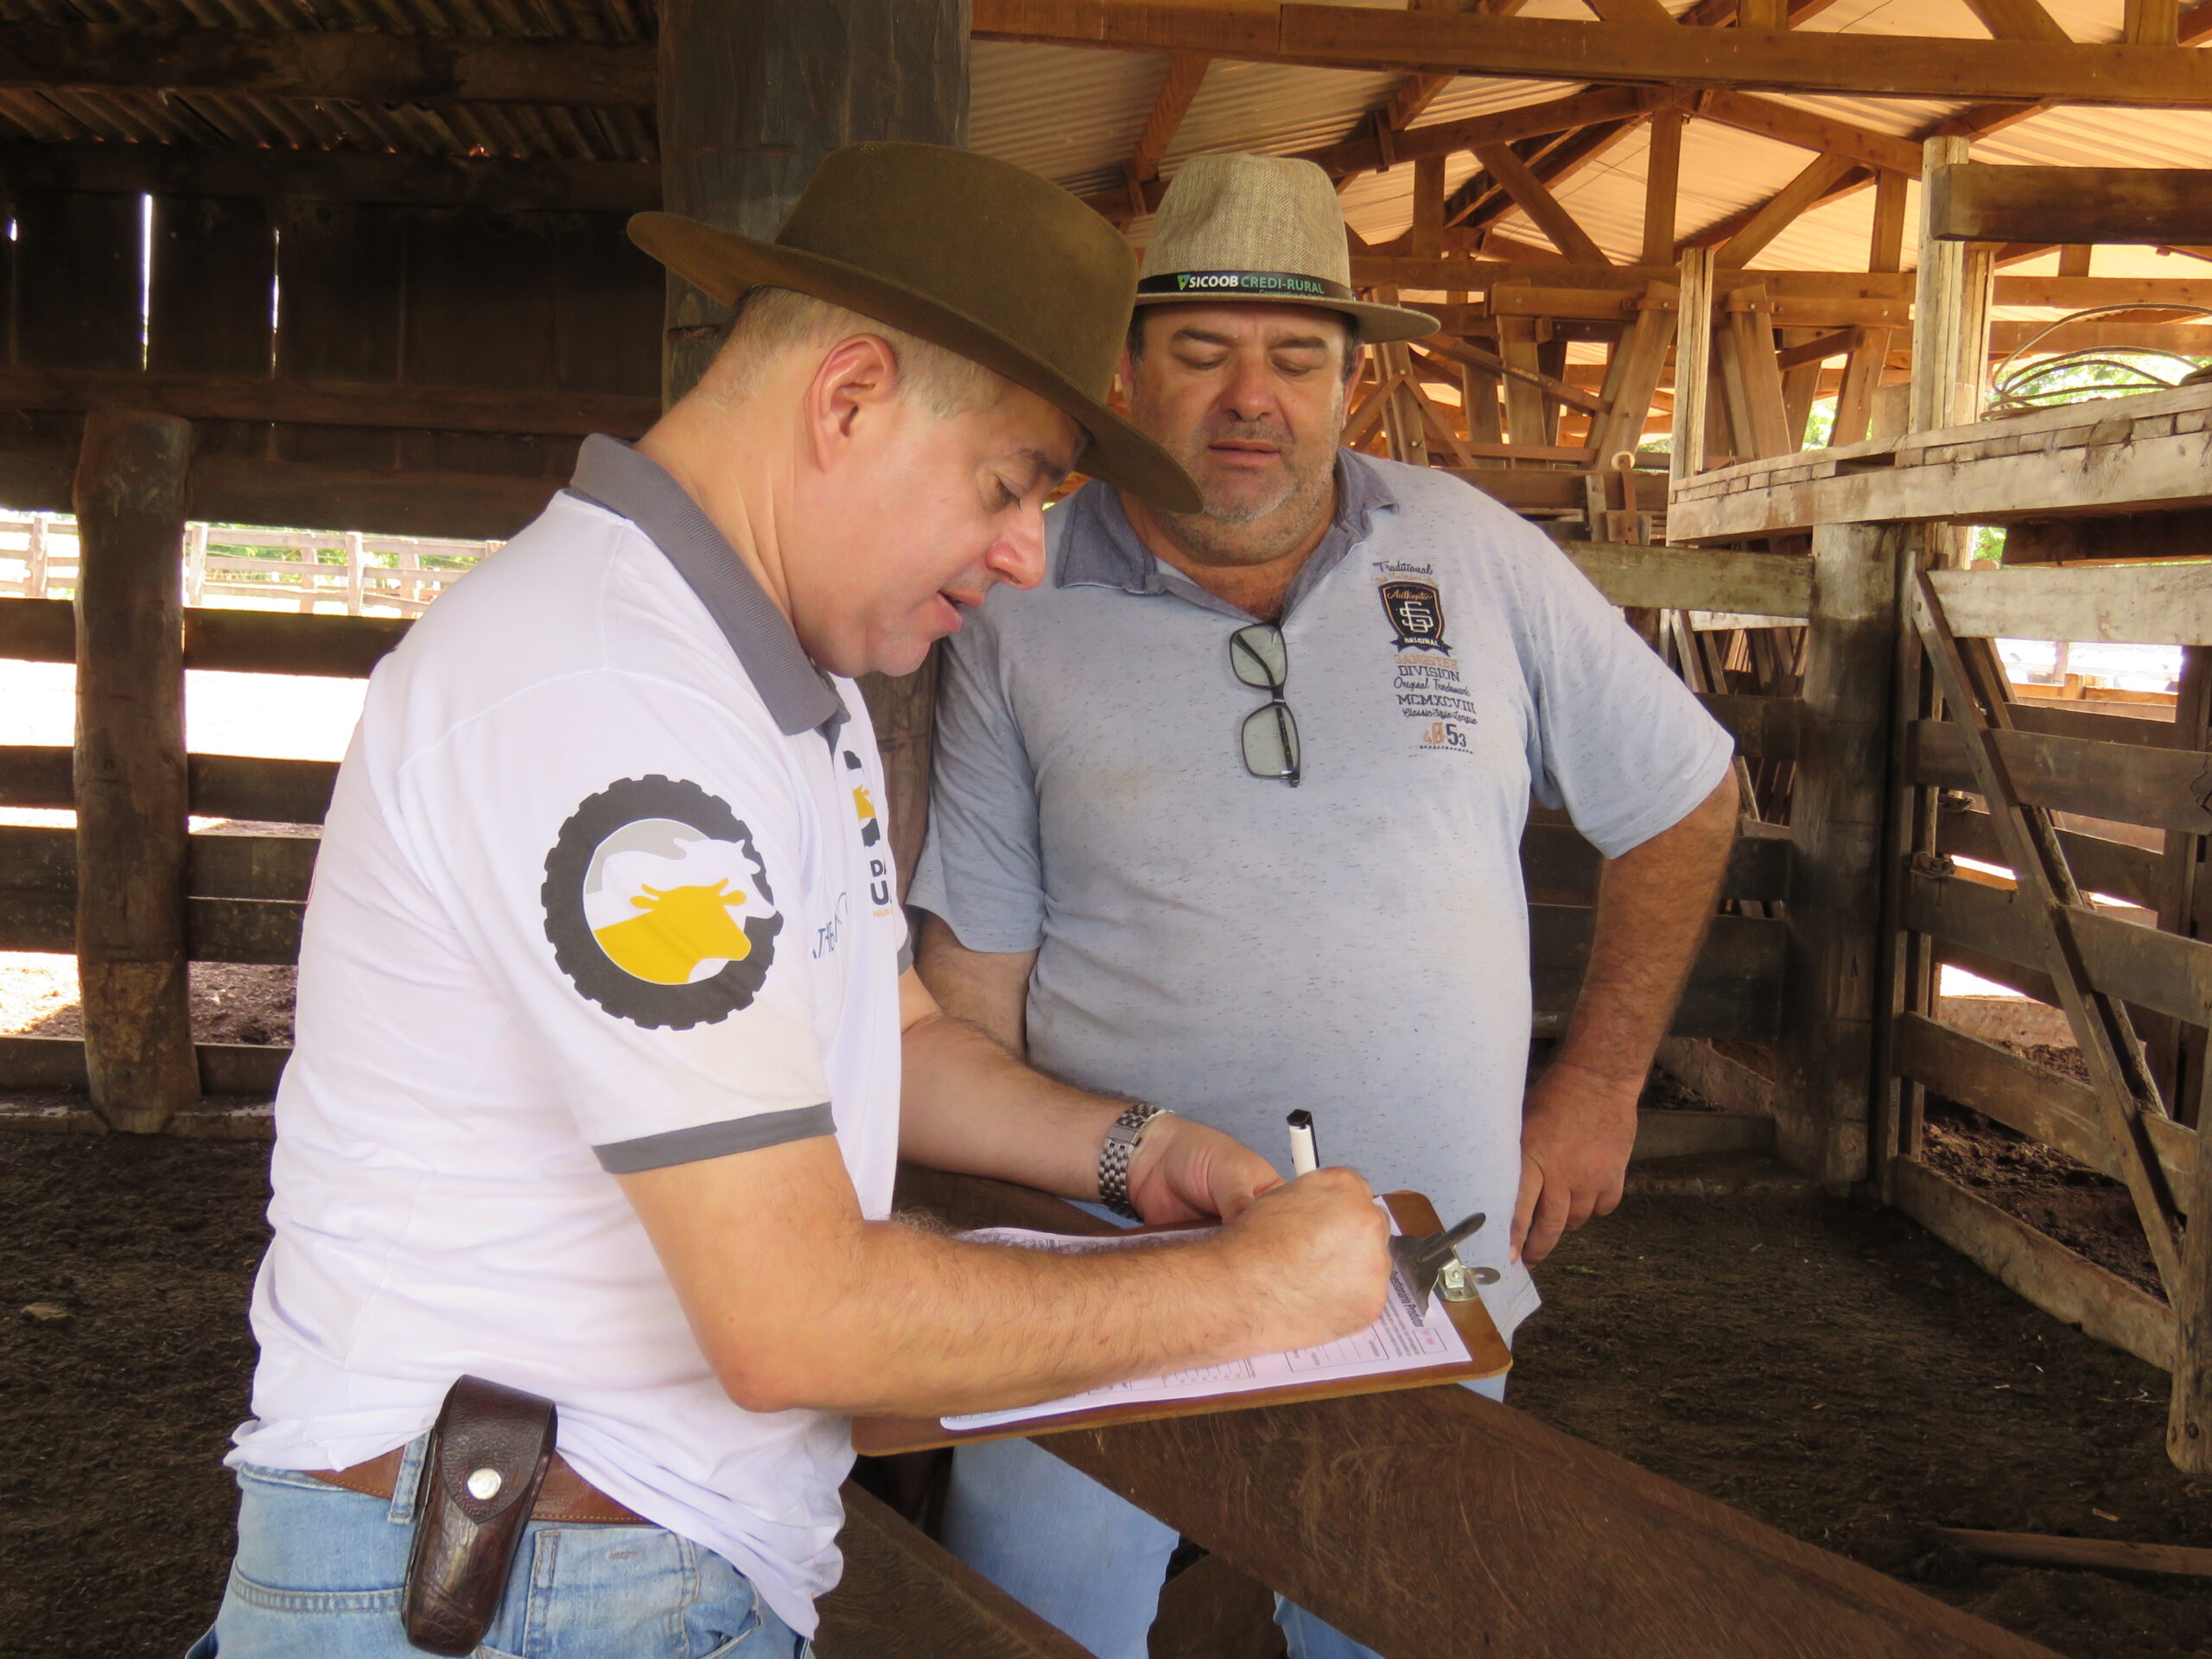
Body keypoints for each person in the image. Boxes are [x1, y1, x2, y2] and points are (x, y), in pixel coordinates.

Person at [189, 143, 1395, 1659]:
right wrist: (1248, 1290)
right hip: (526, 1588)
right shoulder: (613, 704)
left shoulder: (774, 687)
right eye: (1012, 486)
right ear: (848, 399)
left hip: (565, 1563)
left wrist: (1139, 1153)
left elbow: (892, 1038)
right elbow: (793, 1318)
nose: (1027, 555)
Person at [910, 152, 1742, 1659]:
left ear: (1352, 380)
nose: (1252, 398)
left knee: (1393, 1614)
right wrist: (985, 1223)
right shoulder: (1019, 601)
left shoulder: (1476, 555)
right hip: (1107, 1261)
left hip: (1424, 1256)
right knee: (1031, 1623)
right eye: (1204, 352)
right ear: (1126, 369)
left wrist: (1604, 1085)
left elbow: (1685, 791)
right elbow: (976, 973)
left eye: (1296, 357)